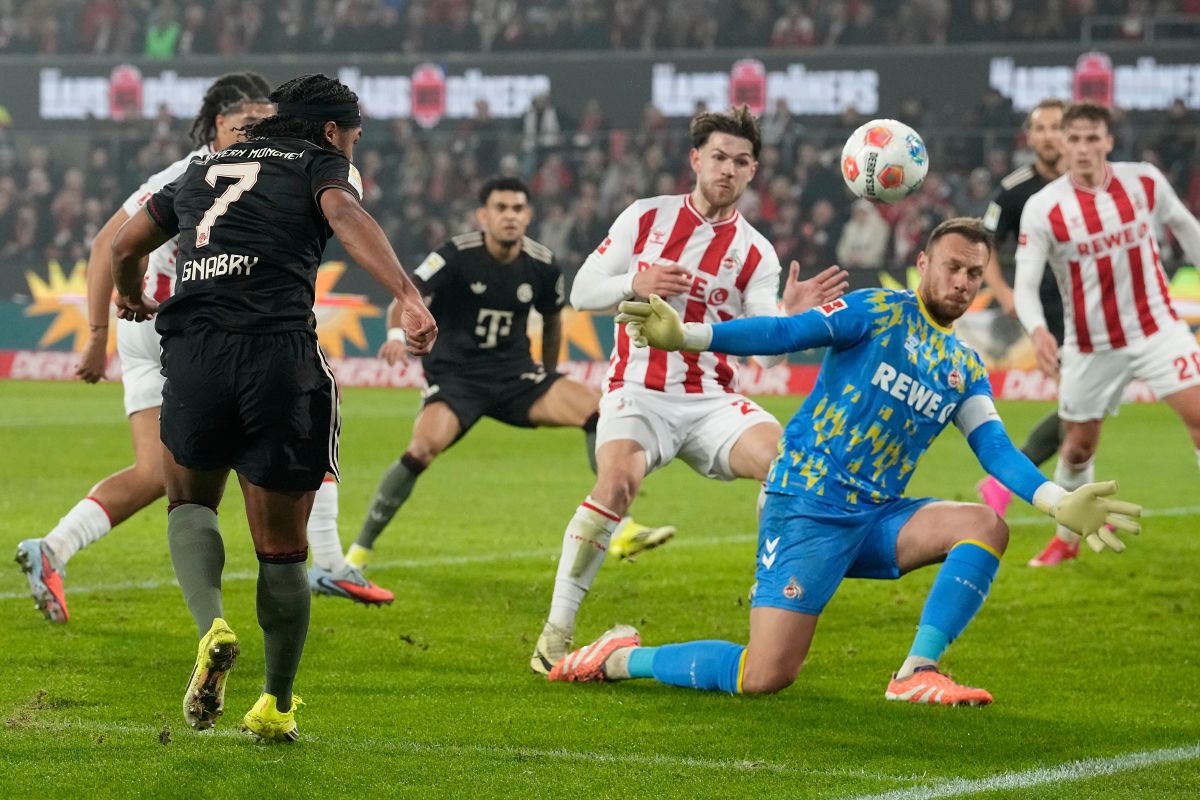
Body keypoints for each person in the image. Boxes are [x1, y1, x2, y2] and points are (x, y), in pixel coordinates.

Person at [549, 218, 1141, 704]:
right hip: (806, 507)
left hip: (877, 517)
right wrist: (690, 337)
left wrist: (1057, 500)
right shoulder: (875, 311)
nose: (961, 282)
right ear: (924, 267)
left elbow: (995, 449)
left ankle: (916, 672)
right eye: (952, 267)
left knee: (984, 524)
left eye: (973, 274)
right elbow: (785, 333)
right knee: (765, 676)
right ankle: (621, 657)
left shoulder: (962, 364)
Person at [109, 74, 437, 742]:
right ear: (329, 131)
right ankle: (276, 705)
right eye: (353, 135)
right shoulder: (323, 164)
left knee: (190, 504)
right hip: (277, 361)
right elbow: (345, 216)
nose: (353, 146)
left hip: (194, 358)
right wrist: (406, 293)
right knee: (283, 551)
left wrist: (132, 292)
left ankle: (212, 627)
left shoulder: (204, 165)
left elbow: (122, 245)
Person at [13, 74, 393, 624]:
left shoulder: (227, 167)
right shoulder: (189, 172)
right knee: (304, 404)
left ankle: (54, 547)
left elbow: (114, 246)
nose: (260, 132)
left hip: (167, 325)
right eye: (247, 123)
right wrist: (98, 332)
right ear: (218, 123)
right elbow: (109, 244)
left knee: (157, 472)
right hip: (187, 326)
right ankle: (325, 563)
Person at [530, 106, 849, 675]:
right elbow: (581, 290)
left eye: (742, 161)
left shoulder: (757, 252)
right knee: (617, 482)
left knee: (790, 464)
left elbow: (764, 349)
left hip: (712, 401)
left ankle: (771, 600)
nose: (728, 169)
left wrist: (788, 317)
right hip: (638, 388)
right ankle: (555, 636)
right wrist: (635, 281)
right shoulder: (646, 217)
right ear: (696, 159)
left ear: (754, 172)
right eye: (719, 157)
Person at [350, 175, 673, 570]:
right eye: (501, 209)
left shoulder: (542, 264)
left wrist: (549, 375)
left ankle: (619, 526)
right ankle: (359, 552)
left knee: (598, 409)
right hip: (456, 381)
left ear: (528, 215)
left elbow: (553, 321)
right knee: (420, 450)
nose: (510, 216)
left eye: (518, 209)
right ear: (483, 215)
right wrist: (396, 335)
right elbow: (405, 296)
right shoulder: (456, 254)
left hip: (517, 378)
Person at [1014, 101, 1200, 562]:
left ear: (1108, 141)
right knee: (1077, 448)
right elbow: (1024, 284)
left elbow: (1186, 228)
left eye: (1092, 137)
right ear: (1062, 143)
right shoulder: (1044, 208)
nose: (1082, 147)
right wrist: (1038, 330)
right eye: (1073, 138)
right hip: (1091, 346)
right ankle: (1067, 539)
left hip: (1158, 329)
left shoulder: (1144, 182)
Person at [972, 98, 1079, 566]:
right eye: (1043, 128)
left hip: (1097, 306)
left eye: (1059, 127)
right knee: (1079, 410)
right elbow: (985, 244)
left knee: (1080, 412)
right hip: (1051, 314)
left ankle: (1021, 485)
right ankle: (1049, 498)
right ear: (1031, 137)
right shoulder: (1013, 190)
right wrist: (1005, 293)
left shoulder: (1089, 180)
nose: (1052, 135)